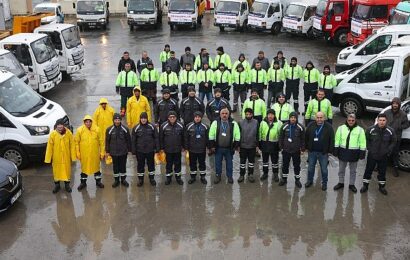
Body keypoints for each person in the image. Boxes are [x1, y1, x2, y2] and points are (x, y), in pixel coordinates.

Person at [361, 113, 396, 195]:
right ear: (377, 120)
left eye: (384, 120)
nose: (382, 122)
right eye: (380, 120)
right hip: (372, 155)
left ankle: (382, 187)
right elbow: (366, 139)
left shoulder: (390, 131)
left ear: (386, 121)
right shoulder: (370, 130)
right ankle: (365, 186)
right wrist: (369, 149)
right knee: (368, 171)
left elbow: (394, 141)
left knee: (382, 172)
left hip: (383, 156)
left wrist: (388, 150)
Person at [333, 114, 366, 193]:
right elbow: (337, 139)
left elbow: (362, 142)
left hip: (354, 153)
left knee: (353, 171)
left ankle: (352, 184)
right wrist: (336, 149)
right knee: (341, 169)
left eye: (352, 120)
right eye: (349, 120)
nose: (351, 122)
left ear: (355, 120)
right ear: (347, 120)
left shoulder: (360, 130)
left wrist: (362, 152)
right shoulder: (340, 128)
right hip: (343, 151)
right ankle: (341, 183)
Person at [208, 108, 241, 184]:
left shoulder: (233, 123)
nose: (224, 115)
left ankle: (229, 177)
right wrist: (212, 146)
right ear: (220, 114)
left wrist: (235, 146)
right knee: (218, 163)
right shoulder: (215, 122)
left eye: (226, 113)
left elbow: (237, 135)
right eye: (223, 113)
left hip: (229, 148)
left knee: (229, 163)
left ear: (229, 114)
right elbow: (211, 135)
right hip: (218, 148)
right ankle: (218, 176)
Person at [45, 118, 76, 193]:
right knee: (57, 172)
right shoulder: (53, 134)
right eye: (58, 125)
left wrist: (73, 156)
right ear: (56, 126)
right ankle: (57, 185)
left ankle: (67, 185)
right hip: (57, 157)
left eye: (61, 125)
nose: (59, 127)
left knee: (67, 171)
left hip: (66, 157)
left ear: (63, 126)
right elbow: (49, 147)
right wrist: (48, 158)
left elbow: (72, 145)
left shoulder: (68, 133)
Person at [305, 111, 334, 191]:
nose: (319, 119)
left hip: (323, 153)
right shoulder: (310, 125)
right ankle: (309, 181)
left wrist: (330, 151)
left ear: (324, 118)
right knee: (310, 168)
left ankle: (324, 183)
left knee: (324, 169)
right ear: (315, 118)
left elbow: (332, 139)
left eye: (321, 117)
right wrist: (305, 147)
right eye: (317, 117)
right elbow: (306, 137)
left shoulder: (329, 127)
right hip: (312, 152)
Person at [75, 115, 105, 191]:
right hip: (84, 155)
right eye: (86, 122)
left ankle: (98, 182)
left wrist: (102, 152)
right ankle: (83, 183)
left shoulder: (97, 129)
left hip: (95, 154)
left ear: (92, 122)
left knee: (96, 169)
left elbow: (101, 142)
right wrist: (78, 152)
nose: (88, 123)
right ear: (84, 122)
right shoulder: (80, 130)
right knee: (84, 170)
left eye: (89, 122)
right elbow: (76, 142)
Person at [132, 112, 159, 187]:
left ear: (147, 119)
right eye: (142, 118)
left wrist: (157, 148)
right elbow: (133, 140)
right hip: (140, 151)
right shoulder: (136, 128)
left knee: (151, 165)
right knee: (140, 165)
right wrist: (133, 150)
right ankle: (140, 179)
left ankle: (152, 179)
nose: (143, 120)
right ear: (140, 119)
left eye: (145, 118)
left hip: (150, 150)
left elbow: (156, 138)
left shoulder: (152, 127)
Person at [384, 97, 410, 177]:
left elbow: (407, 124)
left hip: (396, 137)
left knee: (395, 153)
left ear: (398, 105)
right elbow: (381, 120)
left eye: (396, 104)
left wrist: (399, 126)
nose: (395, 105)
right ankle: (379, 167)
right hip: (387, 136)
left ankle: (395, 169)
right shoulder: (387, 112)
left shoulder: (403, 114)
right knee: (384, 152)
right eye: (393, 103)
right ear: (392, 104)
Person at [278, 112, 304, 187]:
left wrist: (302, 149)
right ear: (289, 118)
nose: (293, 119)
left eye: (294, 118)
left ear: (296, 118)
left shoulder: (300, 127)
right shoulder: (284, 126)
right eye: (291, 117)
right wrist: (281, 148)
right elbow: (281, 138)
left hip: (296, 151)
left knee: (296, 166)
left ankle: (297, 180)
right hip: (286, 150)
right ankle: (284, 179)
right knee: (285, 165)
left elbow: (303, 139)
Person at [105, 113, 132, 188]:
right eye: (115, 120)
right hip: (113, 152)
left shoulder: (125, 129)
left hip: (123, 152)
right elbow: (107, 141)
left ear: (121, 120)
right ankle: (116, 180)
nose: (117, 121)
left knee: (122, 166)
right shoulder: (109, 130)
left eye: (118, 120)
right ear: (113, 120)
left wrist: (130, 150)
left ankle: (123, 180)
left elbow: (128, 140)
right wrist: (107, 151)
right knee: (115, 167)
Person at [159, 111, 185, 185]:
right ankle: (168, 178)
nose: (172, 118)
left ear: (176, 117)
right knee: (168, 164)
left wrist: (184, 147)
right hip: (168, 150)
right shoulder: (163, 126)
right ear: (168, 118)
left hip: (177, 149)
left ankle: (178, 178)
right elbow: (161, 138)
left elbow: (184, 137)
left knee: (178, 164)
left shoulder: (181, 125)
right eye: (171, 117)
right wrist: (161, 148)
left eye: (174, 117)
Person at [184, 111, 209, 184]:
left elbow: (207, 138)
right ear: (194, 118)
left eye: (199, 117)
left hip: (202, 149)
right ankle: (193, 177)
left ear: (201, 118)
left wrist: (208, 147)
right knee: (192, 163)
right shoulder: (188, 126)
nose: (197, 118)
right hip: (192, 150)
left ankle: (202, 176)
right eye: (196, 117)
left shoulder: (205, 126)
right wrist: (186, 148)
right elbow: (186, 138)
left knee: (202, 163)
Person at [259, 109, 283, 182]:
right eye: (269, 114)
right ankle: (265, 173)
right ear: (267, 115)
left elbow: (281, 135)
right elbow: (260, 133)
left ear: (274, 115)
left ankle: (275, 174)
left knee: (275, 161)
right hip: (265, 144)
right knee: (265, 161)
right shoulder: (263, 122)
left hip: (274, 145)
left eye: (272, 114)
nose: (270, 116)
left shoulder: (279, 123)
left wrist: (280, 145)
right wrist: (259, 143)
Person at [238, 108, 260, 183]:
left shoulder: (256, 122)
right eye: (246, 114)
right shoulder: (240, 122)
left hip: (252, 146)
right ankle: (241, 175)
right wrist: (238, 146)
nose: (248, 115)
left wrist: (257, 145)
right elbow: (238, 135)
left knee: (251, 162)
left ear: (252, 114)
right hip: (243, 146)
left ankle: (251, 174)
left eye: (250, 114)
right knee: (242, 162)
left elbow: (257, 134)